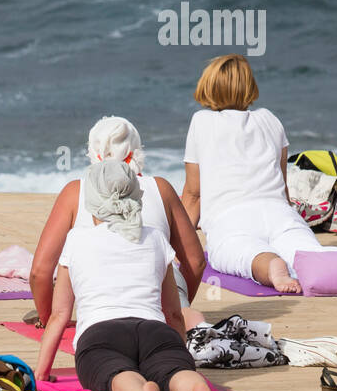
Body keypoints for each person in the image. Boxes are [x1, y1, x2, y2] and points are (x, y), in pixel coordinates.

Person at [37, 161, 220, 391]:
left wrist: (42, 373)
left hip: (100, 335)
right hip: (154, 331)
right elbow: (172, 312)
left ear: (92, 204)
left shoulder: (76, 240)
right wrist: (178, 353)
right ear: (137, 198)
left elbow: (59, 315)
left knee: (111, 373)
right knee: (173, 372)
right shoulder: (155, 237)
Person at [32, 116, 206, 331]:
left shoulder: (75, 191)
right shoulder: (160, 187)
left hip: (102, 295)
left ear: (94, 154)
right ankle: (196, 323)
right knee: (187, 316)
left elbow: (40, 272)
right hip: (155, 281)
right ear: (135, 151)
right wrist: (176, 299)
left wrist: (47, 317)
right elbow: (195, 262)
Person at [181, 55, 333, 293]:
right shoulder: (270, 119)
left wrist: (176, 247)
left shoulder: (201, 121)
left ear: (209, 86)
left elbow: (193, 194)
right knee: (309, 255)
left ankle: (271, 265)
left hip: (230, 220)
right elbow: (282, 185)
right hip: (280, 214)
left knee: (244, 253)